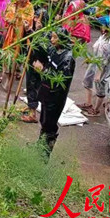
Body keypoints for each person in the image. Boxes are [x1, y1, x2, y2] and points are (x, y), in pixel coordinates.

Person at [32, 28, 76, 159]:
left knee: (50, 126)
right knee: (44, 121)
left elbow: (60, 81)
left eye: (55, 37)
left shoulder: (67, 58)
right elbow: (40, 50)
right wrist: (30, 31)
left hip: (55, 98)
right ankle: (40, 147)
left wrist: (43, 71)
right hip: (46, 93)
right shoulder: (54, 50)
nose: (52, 40)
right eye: (51, 37)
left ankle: (44, 155)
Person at [77, 16, 110, 116]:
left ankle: (96, 110)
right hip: (95, 62)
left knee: (100, 87)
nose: (102, 27)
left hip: (102, 68)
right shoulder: (105, 36)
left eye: (104, 25)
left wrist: (99, 74)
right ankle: (88, 103)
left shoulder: (109, 43)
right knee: (87, 80)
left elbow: (104, 61)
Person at [0, 0, 34, 88]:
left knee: (20, 53)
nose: (23, 0)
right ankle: (6, 74)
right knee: (8, 53)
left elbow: (29, 18)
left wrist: (21, 18)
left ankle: (17, 70)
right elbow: (7, 17)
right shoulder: (12, 6)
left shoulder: (29, 6)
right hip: (11, 33)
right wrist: (14, 18)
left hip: (23, 35)